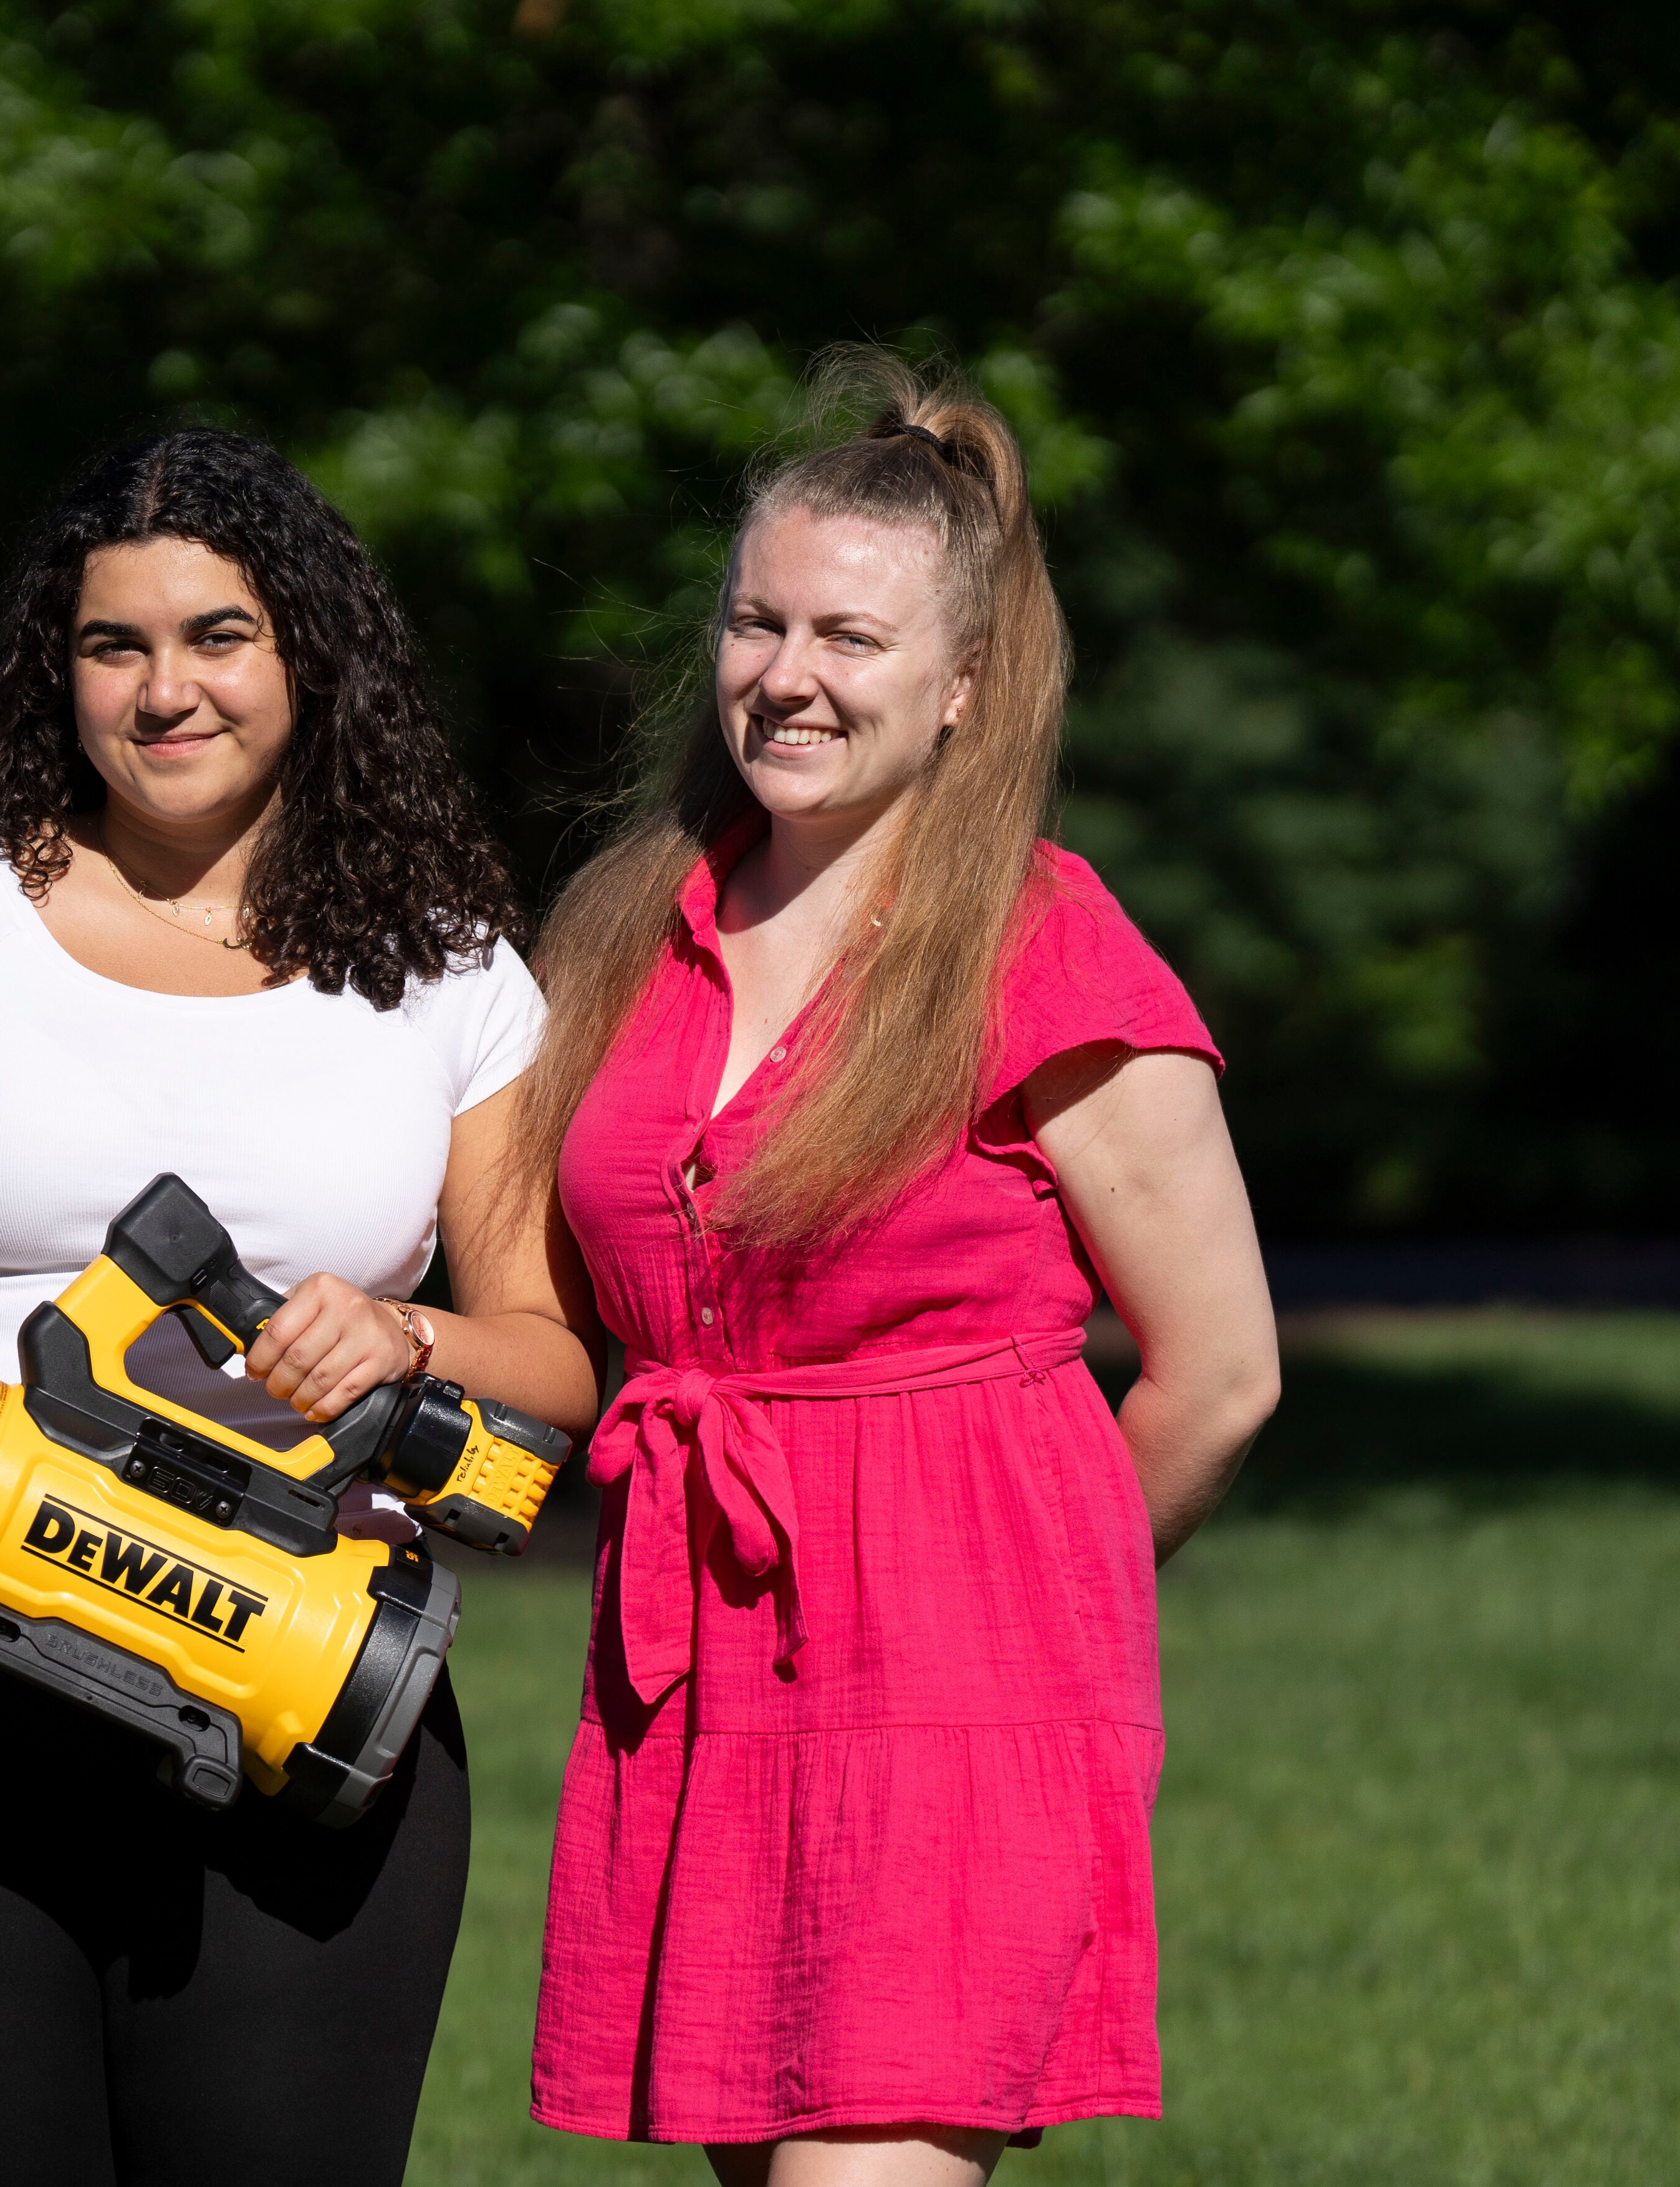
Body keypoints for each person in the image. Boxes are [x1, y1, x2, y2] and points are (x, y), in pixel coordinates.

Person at [0, 428, 602, 2186]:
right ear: (59, 671)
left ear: (310, 656)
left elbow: (556, 1356)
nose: (164, 689)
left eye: (218, 637)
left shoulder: (451, 972)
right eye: (114, 644)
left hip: (300, 1691)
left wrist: (410, 1337)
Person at [519, 350, 1279, 2183]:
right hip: (699, 1674)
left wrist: (1029, 1593)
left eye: (851, 638)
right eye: (759, 623)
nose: (789, 675)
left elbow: (1221, 1372)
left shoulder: (1046, 946)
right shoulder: (626, 930)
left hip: (960, 1681)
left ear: (964, 686)